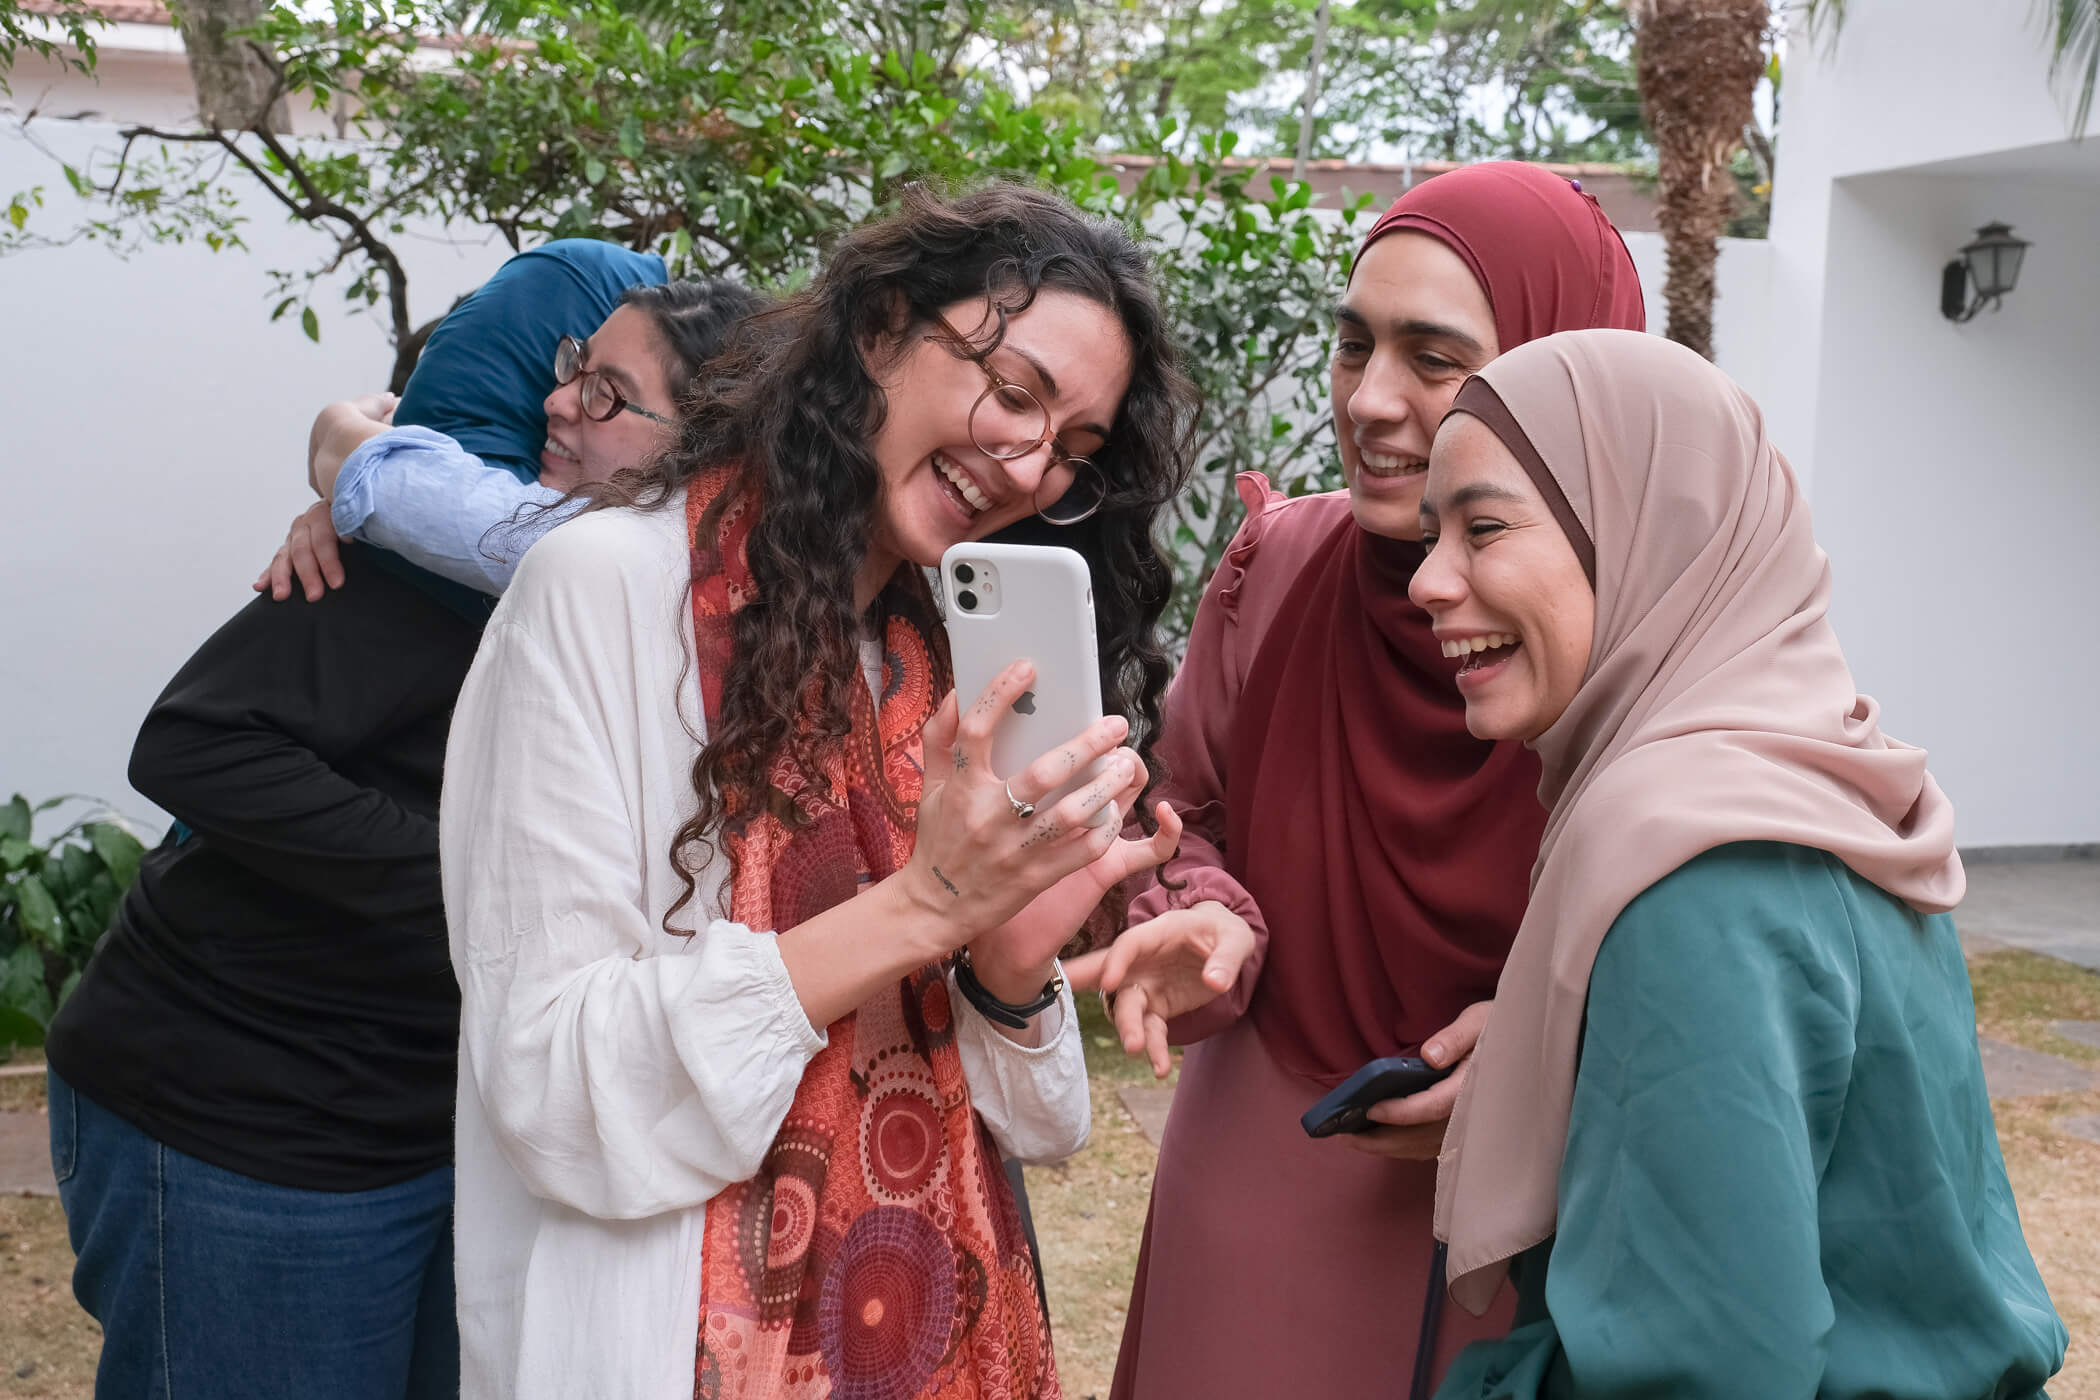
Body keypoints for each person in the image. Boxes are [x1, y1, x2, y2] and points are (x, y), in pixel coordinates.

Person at [438, 181, 1198, 1399]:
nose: (1027, 463)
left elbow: (1039, 1127)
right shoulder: (600, 591)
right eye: (1015, 393)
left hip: (933, 1330)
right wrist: (926, 904)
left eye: (1073, 450)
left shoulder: (939, 657)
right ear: (880, 326)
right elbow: (549, 1084)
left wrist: (1008, 964)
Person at [42, 250, 744, 1400]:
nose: (558, 402)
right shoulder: (434, 570)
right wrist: (486, 880)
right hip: (244, 1108)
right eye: (574, 367)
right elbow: (193, 743)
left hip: (442, 1125)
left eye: (609, 394)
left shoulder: (694, 621)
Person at [1067, 162, 1647, 1398]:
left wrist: (1552, 1060)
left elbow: (1702, 924)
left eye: (1433, 357)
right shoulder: (1277, 567)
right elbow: (1187, 812)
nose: (1369, 400)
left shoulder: (1648, 635)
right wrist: (1203, 910)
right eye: (1352, 344)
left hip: (1533, 1212)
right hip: (1264, 1165)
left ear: (1563, 375)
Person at [1412, 327, 2066, 1399]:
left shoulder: (1685, 863)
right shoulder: (1835, 783)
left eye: (1483, 527)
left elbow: (1701, 1367)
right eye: (1432, 532)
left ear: (1653, 531)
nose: (1428, 580)